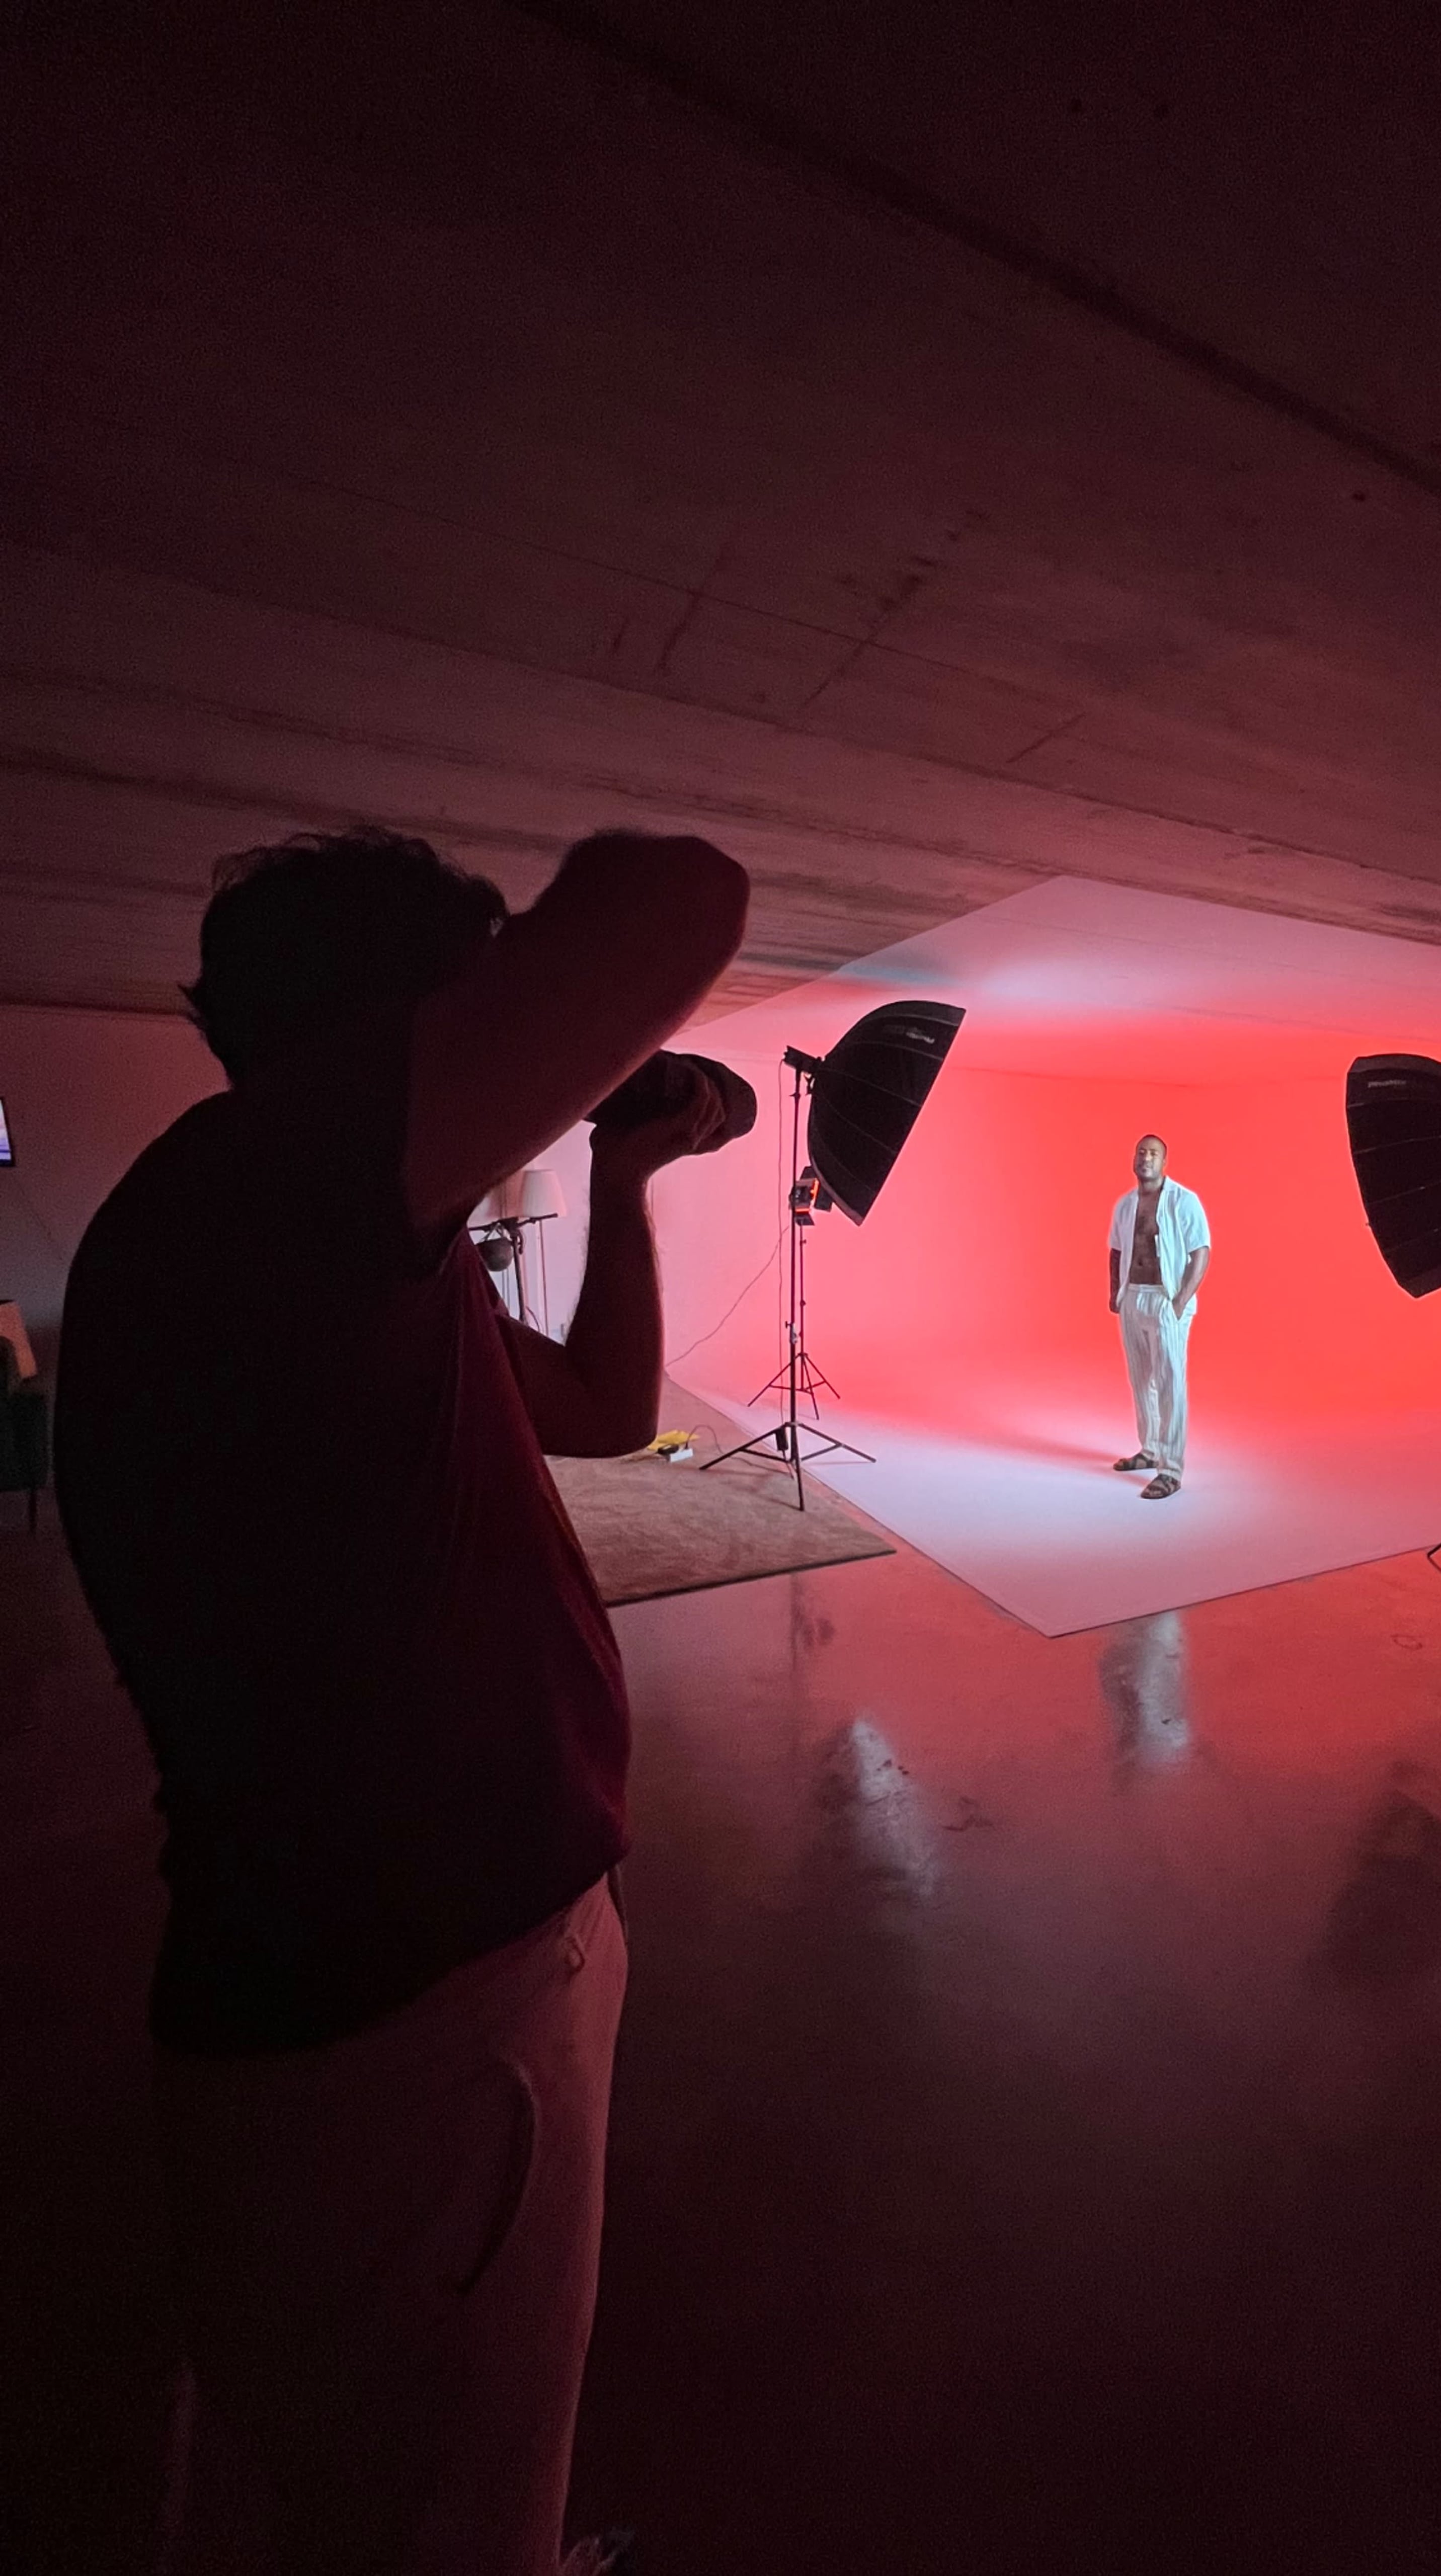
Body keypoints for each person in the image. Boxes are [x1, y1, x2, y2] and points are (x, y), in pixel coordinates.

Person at [55, 824, 750, 2576]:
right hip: (428, 2025)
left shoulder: (305, 1239)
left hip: (410, 2001)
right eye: (488, 978)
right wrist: (553, 953)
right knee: (440, 2512)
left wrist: (626, 1180)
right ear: (393, 1022)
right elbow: (682, 891)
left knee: (405, 2477)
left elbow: (598, 1405)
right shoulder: (272, 1181)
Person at [1106, 1134, 1211, 1499]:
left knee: (1170, 1384)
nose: (1146, 1158)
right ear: (1133, 1159)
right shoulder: (1125, 1204)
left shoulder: (1184, 1201)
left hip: (1166, 1300)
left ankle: (1172, 1469)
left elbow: (1201, 1251)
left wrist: (1182, 1300)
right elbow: (1117, 1251)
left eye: (1153, 1153)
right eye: (1141, 1152)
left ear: (1164, 1162)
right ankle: (1150, 1450)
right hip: (1133, 1297)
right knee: (1141, 1379)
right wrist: (1114, 1293)